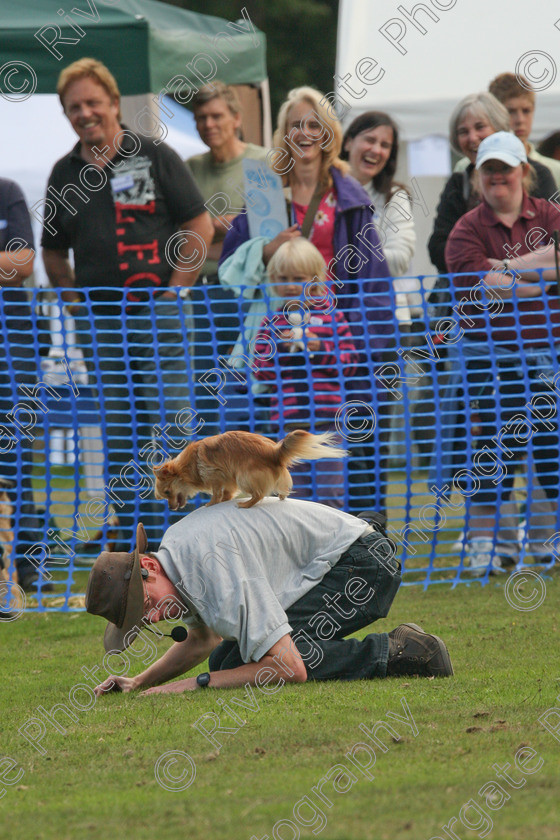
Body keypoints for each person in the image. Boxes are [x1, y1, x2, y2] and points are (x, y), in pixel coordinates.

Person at [41, 59, 213, 552]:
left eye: (94, 102)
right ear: (66, 114)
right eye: (75, 107)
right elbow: (52, 251)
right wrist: (73, 304)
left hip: (160, 313)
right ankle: (137, 540)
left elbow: (198, 225)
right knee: (119, 432)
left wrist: (177, 290)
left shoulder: (155, 155)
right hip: (99, 322)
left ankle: (188, 538)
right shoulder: (62, 172)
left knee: (172, 425)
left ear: (115, 104)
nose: (86, 113)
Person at [219, 86, 393, 515]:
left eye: (314, 124)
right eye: (295, 124)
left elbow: (374, 283)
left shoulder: (349, 196)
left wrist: (364, 353)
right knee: (274, 454)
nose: (304, 132)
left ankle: (356, 551)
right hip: (274, 342)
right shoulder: (265, 190)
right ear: (283, 133)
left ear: (329, 133)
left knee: (341, 458)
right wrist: (264, 248)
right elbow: (228, 270)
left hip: (335, 340)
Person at [86, 499, 453, 696]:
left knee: (272, 663)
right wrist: (140, 682)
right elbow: (203, 641)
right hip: (348, 556)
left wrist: (184, 687)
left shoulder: (212, 568)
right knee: (226, 660)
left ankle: (404, 650)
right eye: (141, 618)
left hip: (364, 566)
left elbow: (289, 669)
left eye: (143, 605)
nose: (152, 619)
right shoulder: (180, 553)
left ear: (148, 565)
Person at [443, 132, 560, 573]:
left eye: (505, 168)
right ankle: (490, 547)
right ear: (478, 176)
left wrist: (507, 265)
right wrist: (541, 271)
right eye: (489, 169)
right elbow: (481, 286)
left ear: (523, 172)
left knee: (552, 451)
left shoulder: (550, 213)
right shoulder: (465, 228)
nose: (498, 176)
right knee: (492, 454)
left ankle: (550, 544)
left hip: (550, 356)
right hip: (487, 360)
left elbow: (505, 277)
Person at [186, 82, 269, 432]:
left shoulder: (263, 161)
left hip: (251, 297)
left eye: (217, 115)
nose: (209, 124)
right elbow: (183, 238)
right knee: (203, 394)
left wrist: (224, 229)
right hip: (201, 295)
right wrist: (230, 226)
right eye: (201, 117)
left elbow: (267, 235)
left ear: (236, 118)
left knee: (251, 390)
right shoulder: (189, 168)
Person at [252, 239, 359, 509]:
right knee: (292, 495)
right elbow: (260, 372)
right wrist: (282, 349)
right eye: (283, 278)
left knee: (330, 493)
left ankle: (331, 547)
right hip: (289, 425)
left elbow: (349, 364)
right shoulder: (271, 323)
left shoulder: (333, 318)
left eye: (298, 278)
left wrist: (321, 348)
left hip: (328, 423)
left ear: (315, 280)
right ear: (274, 280)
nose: (290, 285)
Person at [429, 92, 556, 275]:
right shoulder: (458, 183)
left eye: (480, 127)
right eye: (463, 132)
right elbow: (439, 249)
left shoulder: (540, 175)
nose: (472, 138)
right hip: (479, 298)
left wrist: (500, 265)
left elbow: (552, 243)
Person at [0, 178, 49, 592]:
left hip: (13, 345)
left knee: (17, 462)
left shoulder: (7, 192)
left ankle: (29, 568)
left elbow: (21, 263)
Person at [341, 110, 416, 311]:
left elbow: (399, 260)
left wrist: (343, 259)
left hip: (385, 317)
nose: (376, 150)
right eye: (370, 140)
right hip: (332, 314)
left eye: (385, 145)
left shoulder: (395, 197)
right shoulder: (325, 193)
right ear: (348, 143)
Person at [489, 72, 560, 189]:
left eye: (526, 111)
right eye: (510, 111)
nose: (520, 120)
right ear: (494, 114)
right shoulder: (471, 167)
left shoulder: (555, 170)